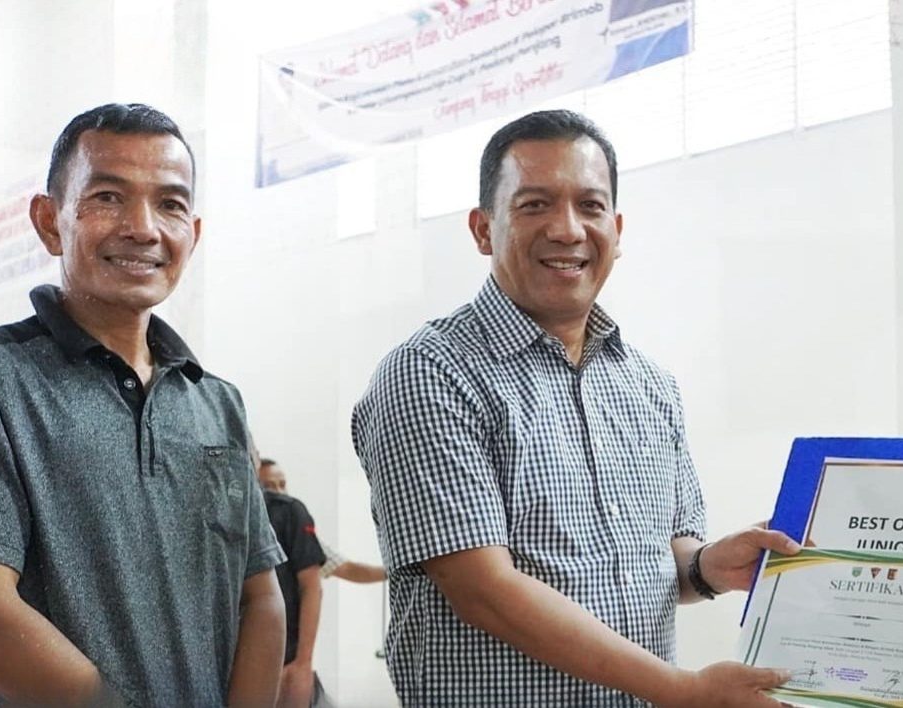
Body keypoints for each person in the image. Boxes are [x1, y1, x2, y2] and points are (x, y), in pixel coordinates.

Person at [351, 109, 798, 706]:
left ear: (616, 228)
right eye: (534, 204)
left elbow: (664, 561)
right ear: (483, 229)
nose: (567, 230)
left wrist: (710, 566)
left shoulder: (650, 385)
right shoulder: (430, 373)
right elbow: (484, 590)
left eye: (590, 206)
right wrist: (683, 690)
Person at [0, 103, 286, 706]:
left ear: (193, 233)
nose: (143, 228)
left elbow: (260, 599)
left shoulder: (217, 402)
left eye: (170, 204)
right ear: (49, 221)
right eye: (108, 197)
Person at [257, 458, 329, 708]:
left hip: (285, 659)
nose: (277, 490)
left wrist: (303, 663)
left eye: (281, 484)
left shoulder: (290, 514)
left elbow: (313, 586)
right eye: (269, 485)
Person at [257, 458, 385, 584]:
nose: (279, 492)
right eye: (268, 487)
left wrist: (393, 569)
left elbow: (348, 569)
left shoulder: (297, 532)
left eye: (282, 485)